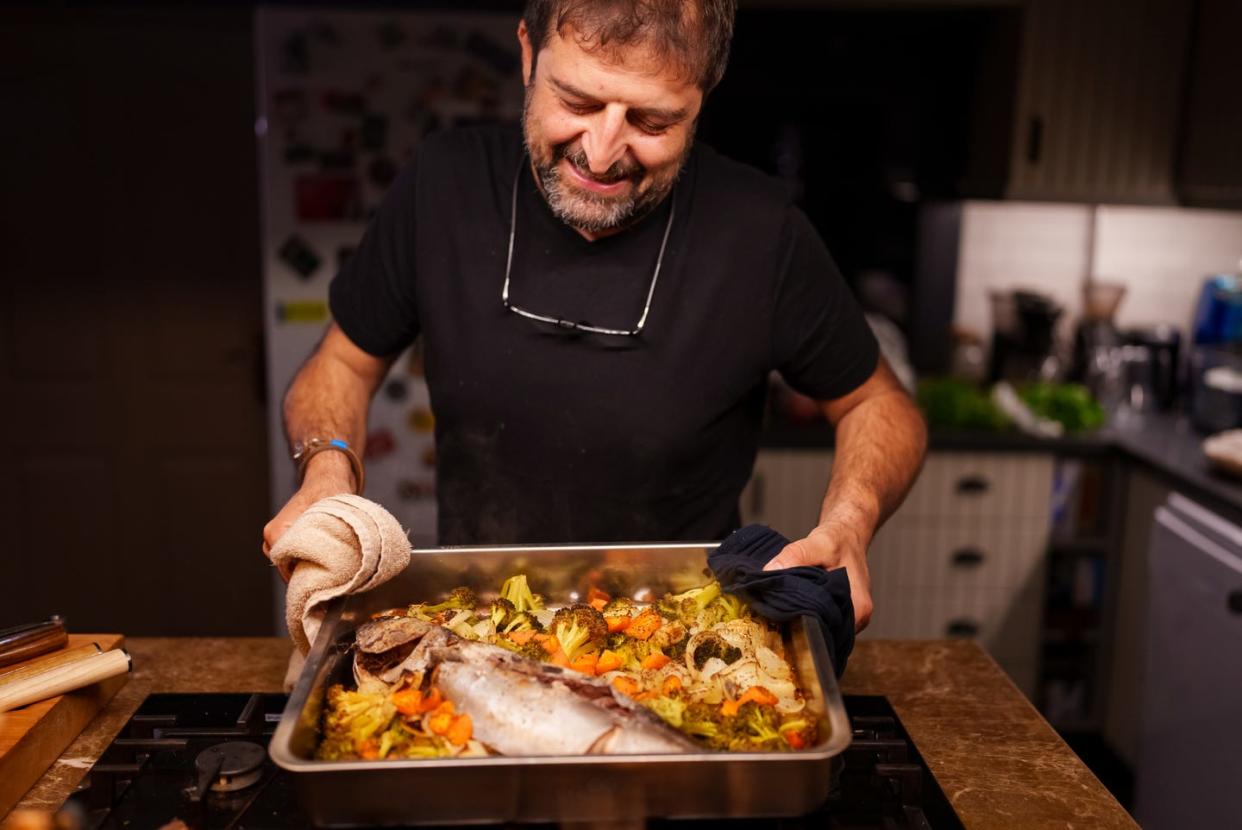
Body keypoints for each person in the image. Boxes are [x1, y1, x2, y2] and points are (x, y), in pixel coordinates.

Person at [263, 0, 927, 632]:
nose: (603, 153)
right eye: (576, 102)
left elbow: (880, 405)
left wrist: (848, 522)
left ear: (703, 94)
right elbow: (342, 364)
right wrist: (330, 467)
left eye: (652, 121)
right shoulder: (444, 185)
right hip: (479, 626)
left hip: (685, 643)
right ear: (528, 55)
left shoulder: (763, 232)